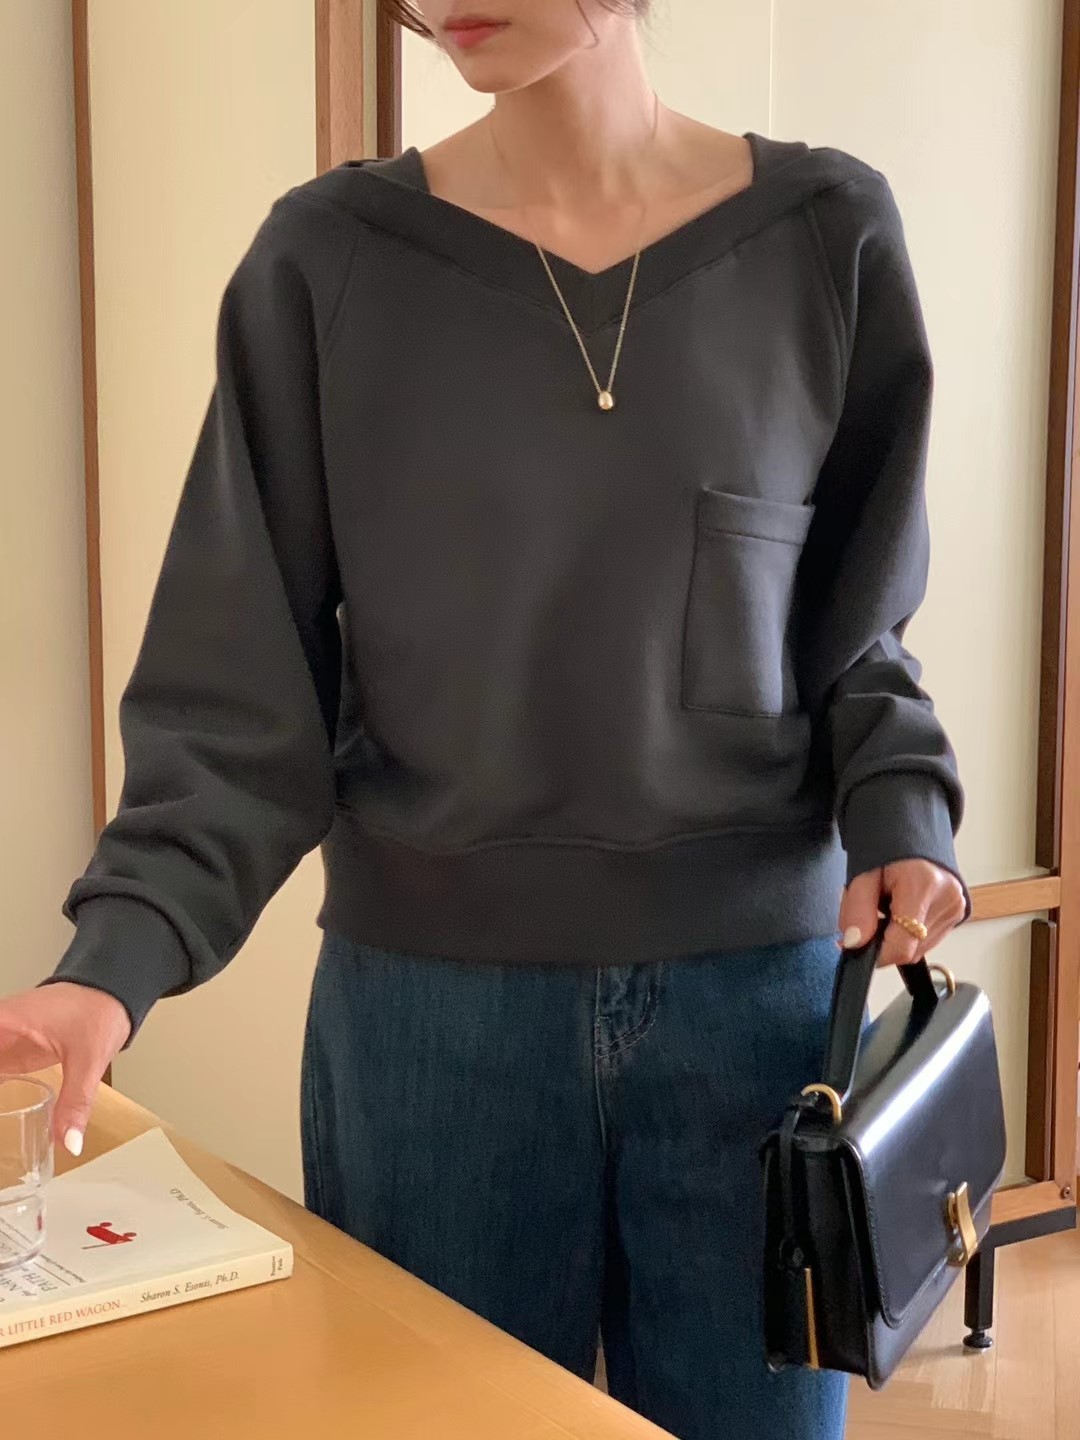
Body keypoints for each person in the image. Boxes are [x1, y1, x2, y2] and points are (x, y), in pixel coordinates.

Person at [0, 2, 968, 1436]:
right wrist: (114, 960)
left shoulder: (828, 234)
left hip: (754, 1014)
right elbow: (238, 683)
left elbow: (857, 625)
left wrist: (903, 807)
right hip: (431, 1029)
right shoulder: (325, 263)